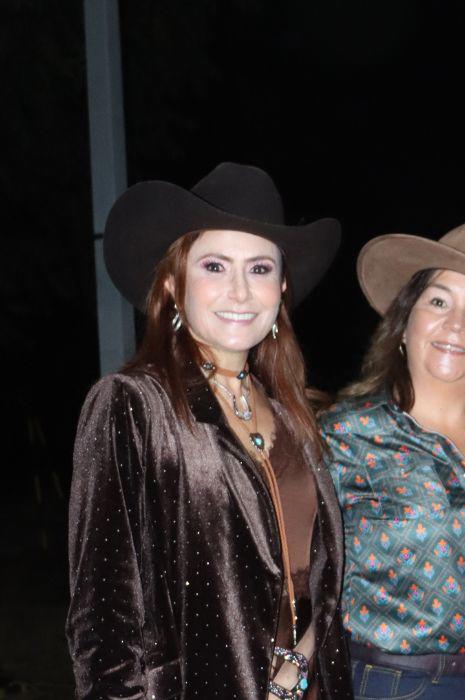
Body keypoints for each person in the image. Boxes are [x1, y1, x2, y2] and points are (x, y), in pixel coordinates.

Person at [67, 162, 352, 698]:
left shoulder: (294, 416)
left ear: (282, 285)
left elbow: (322, 586)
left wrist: (297, 669)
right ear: (174, 283)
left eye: (260, 268)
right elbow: (103, 625)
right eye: (216, 266)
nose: (240, 291)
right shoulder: (133, 407)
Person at [322, 221, 465, 699]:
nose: (456, 324)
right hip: (393, 685)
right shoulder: (342, 435)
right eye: (437, 300)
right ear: (404, 322)